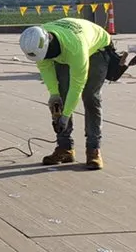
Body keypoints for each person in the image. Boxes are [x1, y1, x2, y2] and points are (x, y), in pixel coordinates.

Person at [18, 17, 113, 170]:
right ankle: (65, 148)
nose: (44, 59)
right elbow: (46, 70)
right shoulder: (37, 44)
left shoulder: (75, 48)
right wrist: (54, 95)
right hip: (64, 46)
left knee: (90, 97)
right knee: (61, 97)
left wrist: (66, 115)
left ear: (49, 44)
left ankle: (93, 149)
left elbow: (77, 85)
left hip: (96, 49)